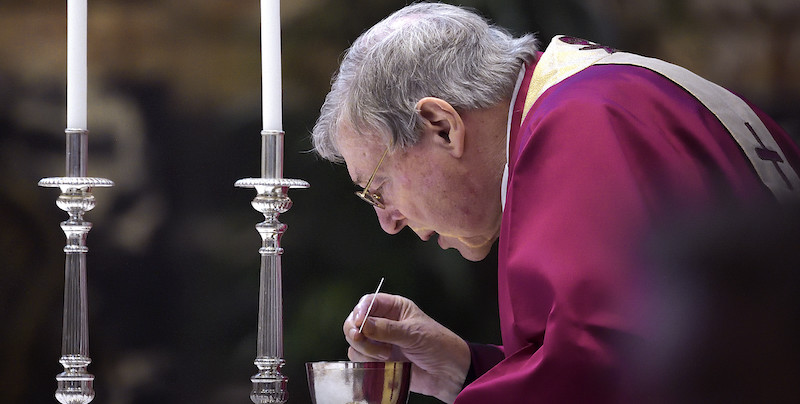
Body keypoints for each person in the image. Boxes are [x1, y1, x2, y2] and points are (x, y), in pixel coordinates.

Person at [310, 2, 800, 403]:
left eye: (377, 188)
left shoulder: (582, 123)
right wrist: (465, 369)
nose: (387, 222)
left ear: (442, 126)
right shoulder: (599, 95)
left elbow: (605, 368)